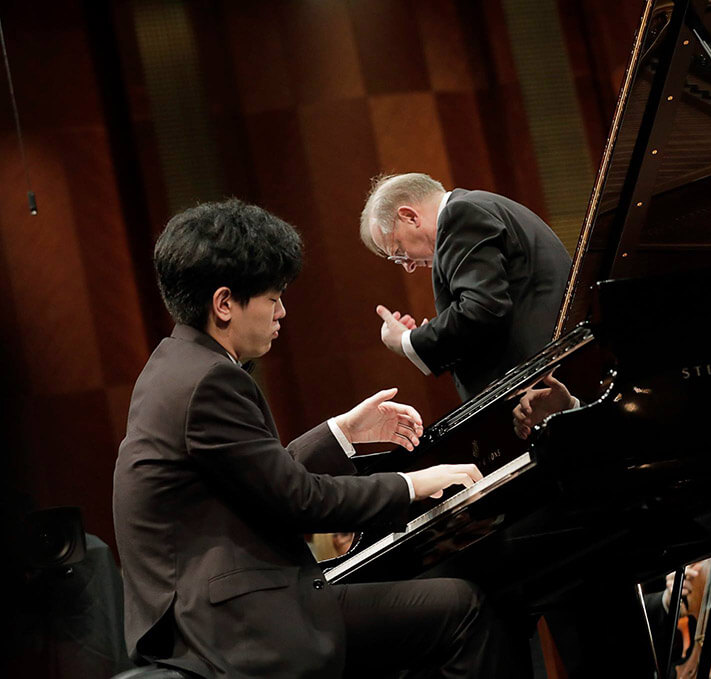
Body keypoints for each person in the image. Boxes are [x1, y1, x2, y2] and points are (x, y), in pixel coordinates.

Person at [113, 199, 530, 678]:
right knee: (463, 607)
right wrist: (414, 483)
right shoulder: (211, 381)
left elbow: (261, 476)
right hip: (237, 627)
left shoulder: (175, 365)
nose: (282, 312)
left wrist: (343, 432)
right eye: (273, 298)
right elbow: (298, 500)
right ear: (224, 303)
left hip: (215, 611)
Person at [360, 173, 571, 401]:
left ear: (410, 217)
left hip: (542, 387)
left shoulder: (460, 214)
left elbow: (483, 309)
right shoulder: (479, 205)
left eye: (400, 252)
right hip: (552, 374)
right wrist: (440, 328)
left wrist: (407, 341)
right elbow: (493, 308)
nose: (408, 266)